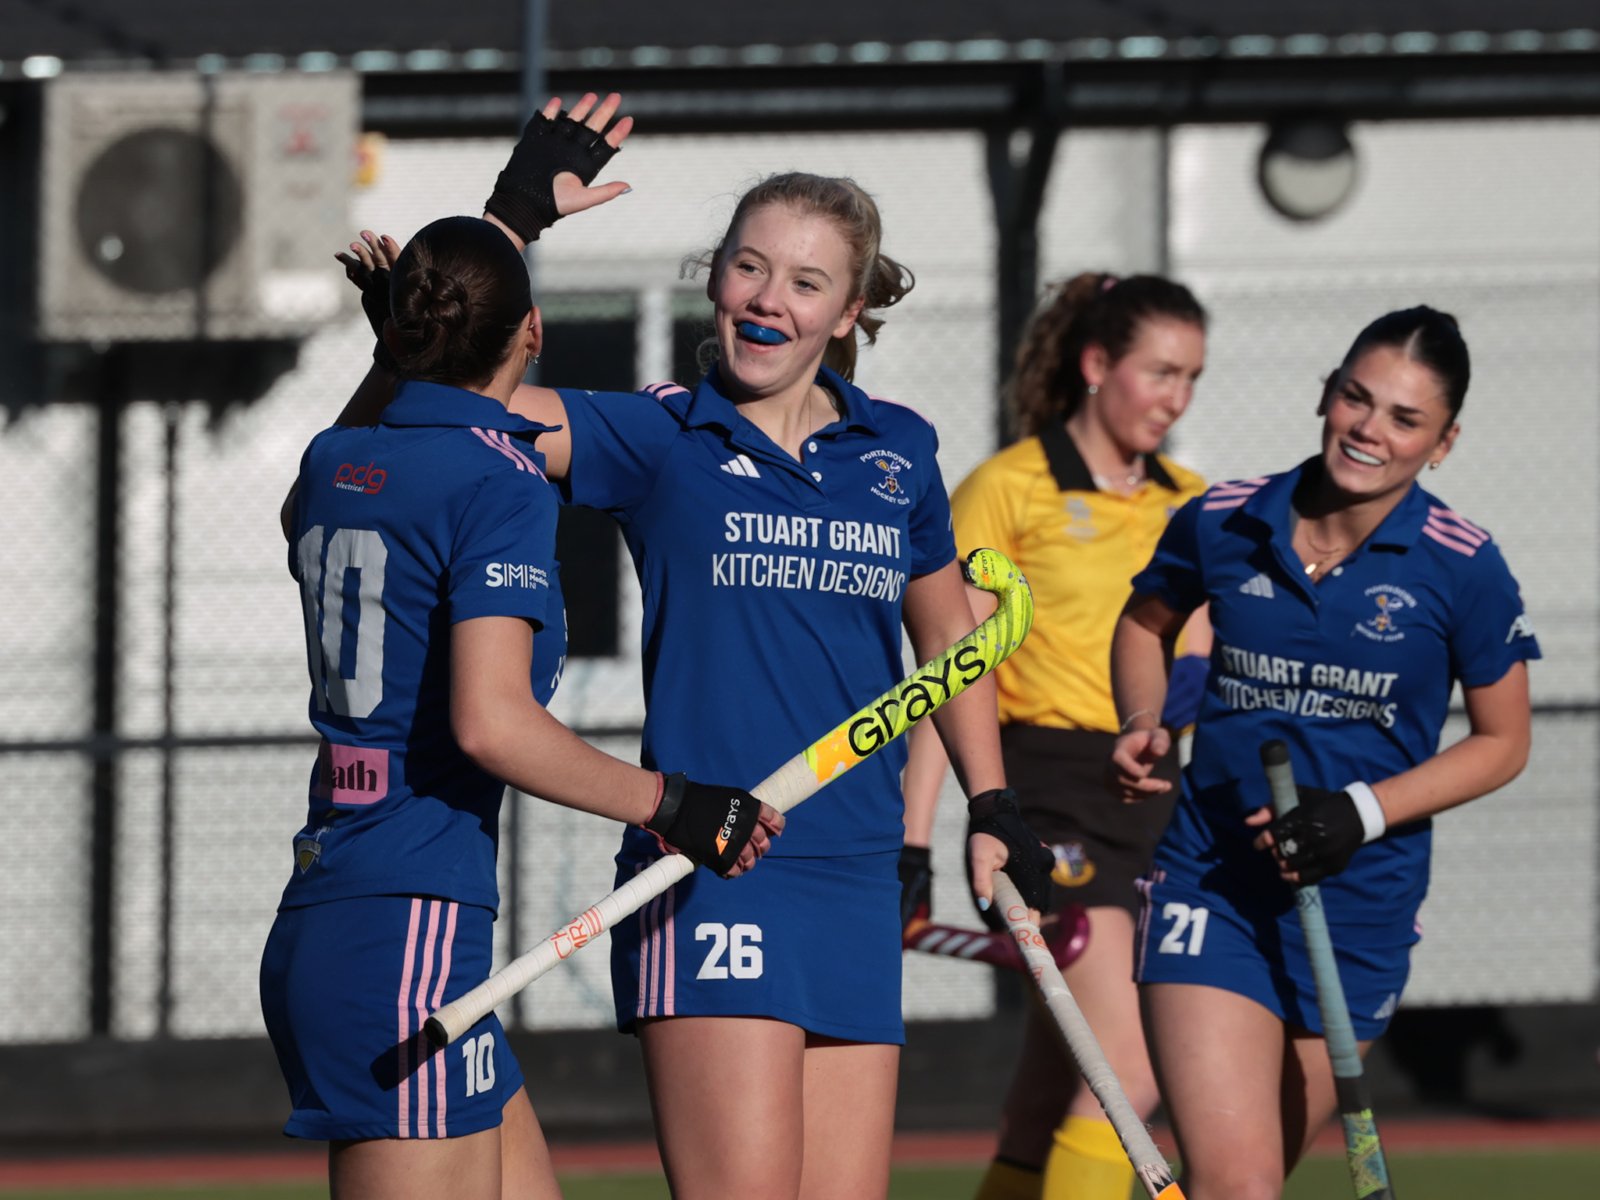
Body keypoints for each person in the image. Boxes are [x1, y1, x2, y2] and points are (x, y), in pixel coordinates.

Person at [336, 97, 1055, 1200]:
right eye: (748, 268)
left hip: (855, 875)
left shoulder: (898, 450)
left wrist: (993, 807)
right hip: (713, 863)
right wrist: (486, 251)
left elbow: (950, 636)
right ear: (714, 278)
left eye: (805, 283)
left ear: (850, 310)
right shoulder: (657, 434)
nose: (767, 300)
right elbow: (425, 418)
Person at [262, 98, 784, 1200]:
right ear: (533, 335)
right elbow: (492, 723)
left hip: (349, 906)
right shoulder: (495, 481)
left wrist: (501, 225)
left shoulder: (334, 458)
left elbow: (374, 439)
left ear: (398, 339)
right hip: (408, 918)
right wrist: (675, 805)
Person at [1110, 306, 1538, 1199]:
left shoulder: (1464, 566)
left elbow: (1504, 744)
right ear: (1327, 394)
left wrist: (1359, 812)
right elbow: (1145, 622)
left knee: (1242, 1175)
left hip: (1358, 906)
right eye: (1356, 398)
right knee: (1242, 1185)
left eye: (1405, 419)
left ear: (1444, 442)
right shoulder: (1223, 520)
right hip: (1213, 882)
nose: (1369, 430)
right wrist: (1145, 717)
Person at [900, 272, 1210, 1200]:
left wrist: (1166, 724)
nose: (1177, 398)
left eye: (1192, 377)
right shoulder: (1010, 487)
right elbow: (950, 671)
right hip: (1042, 793)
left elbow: (1195, 651)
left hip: (1158, 794)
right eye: (1159, 372)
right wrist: (913, 839)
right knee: (1129, 1070)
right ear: (1095, 364)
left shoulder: (1192, 500)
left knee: (1051, 1087)